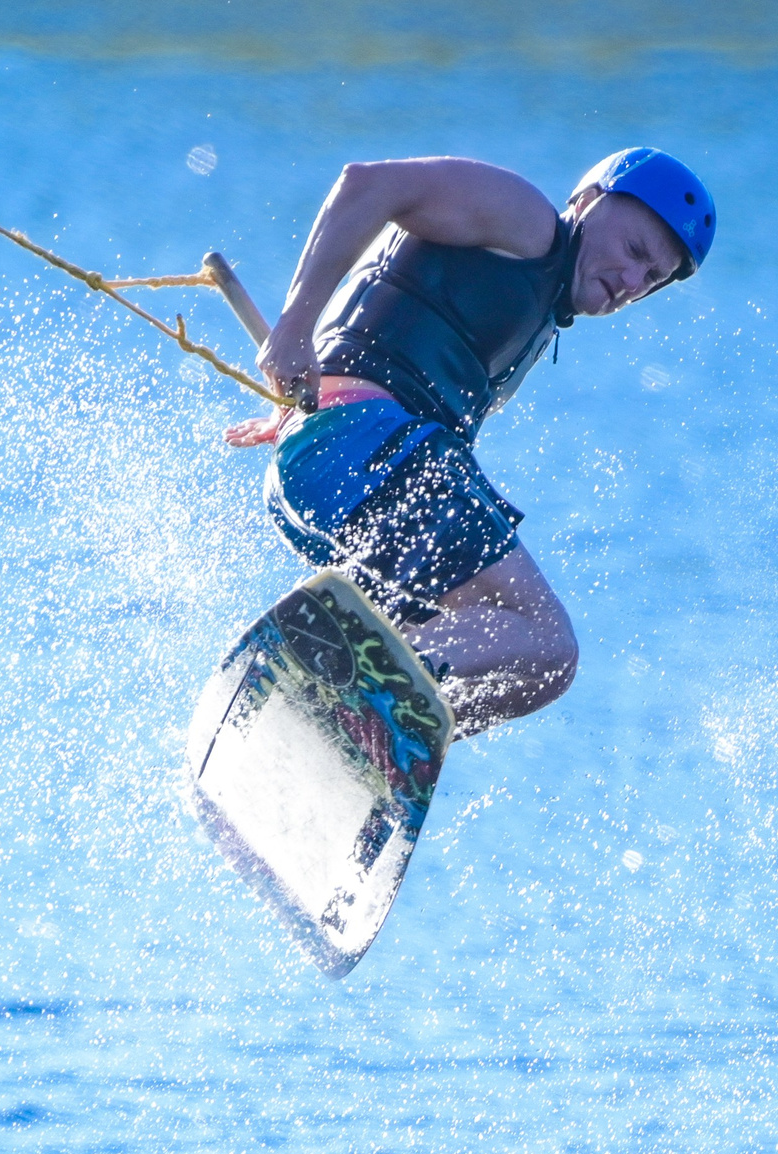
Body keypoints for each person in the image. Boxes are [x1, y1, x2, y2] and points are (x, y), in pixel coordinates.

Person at [224, 149, 716, 738]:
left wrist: (310, 404)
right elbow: (366, 186)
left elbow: (387, 331)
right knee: (544, 642)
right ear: (587, 201)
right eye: (635, 251)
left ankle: (362, 743)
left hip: (334, 467)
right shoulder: (529, 225)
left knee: (516, 662)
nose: (633, 283)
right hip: (367, 451)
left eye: (654, 278)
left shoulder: (538, 316)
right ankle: (332, 694)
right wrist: (294, 326)